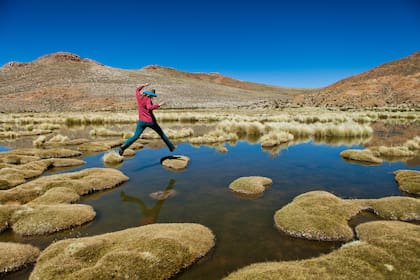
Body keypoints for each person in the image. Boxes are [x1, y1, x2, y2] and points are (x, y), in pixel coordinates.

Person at [118, 82, 176, 155]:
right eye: (152, 96)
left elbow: (137, 90)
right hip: (150, 121)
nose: (152, 97)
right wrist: (159, 105)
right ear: (149, 95)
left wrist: (144, 85)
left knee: (136, 136)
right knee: (161, 134)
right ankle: (171, 147)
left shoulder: (139, 97)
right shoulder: (148, 99)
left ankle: (123, 147)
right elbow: (149, 107)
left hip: (141, 121)